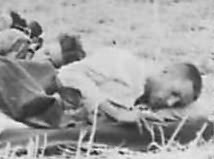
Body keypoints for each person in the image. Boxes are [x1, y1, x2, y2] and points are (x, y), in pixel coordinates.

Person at [55, 47, 203, 127]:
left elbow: (199, 113)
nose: (170, 103)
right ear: (165, 72)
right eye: (174, 93)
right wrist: (113, 111)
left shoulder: (142, 104)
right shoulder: (124, 63)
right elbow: (68, 74)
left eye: (177, 103)